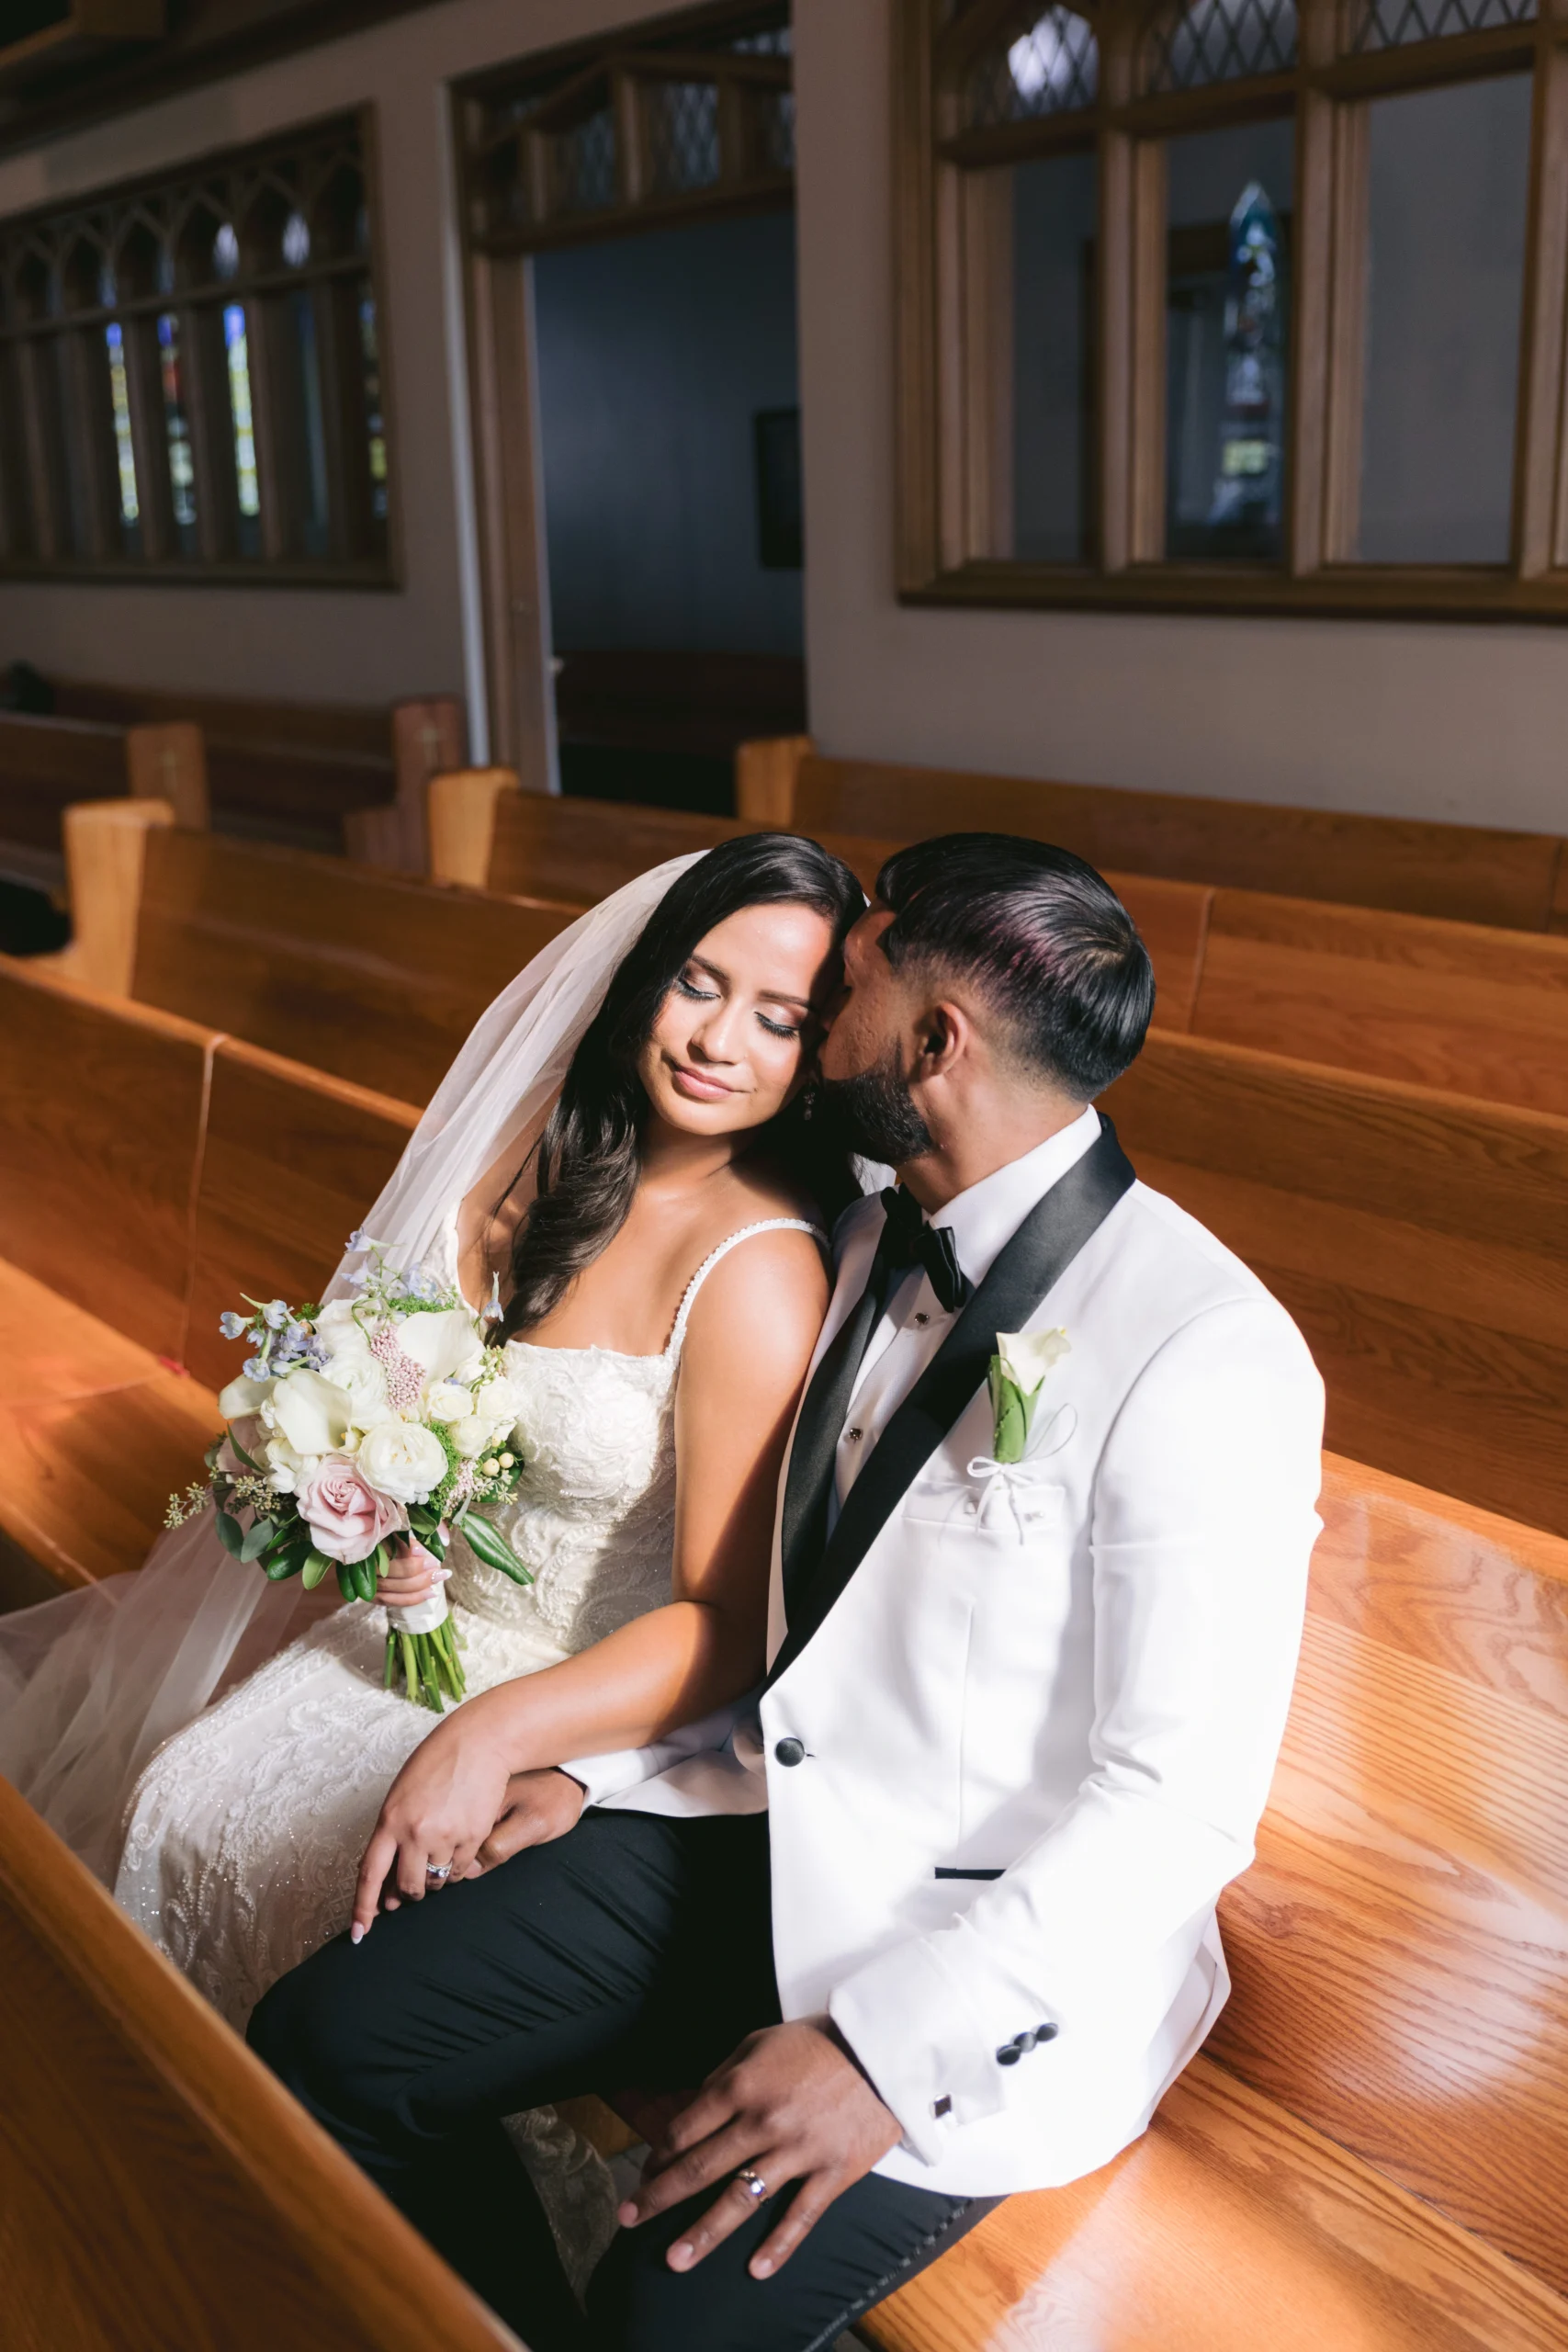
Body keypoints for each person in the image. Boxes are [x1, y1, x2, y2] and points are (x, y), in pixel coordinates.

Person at [248, 832, 1325, 2352]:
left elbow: (1177, 1810)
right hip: (749, 1829)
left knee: (660, 2312)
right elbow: (805, 1622)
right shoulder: (875, 1226)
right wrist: (597, 1773)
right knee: (328, 2042)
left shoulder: (1201, 1346)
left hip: (973, 1957)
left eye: (847, 986)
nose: (818, 1017)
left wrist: (880, 2057)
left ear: (932, 1044)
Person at [0, 834, 862, 2277]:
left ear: (814, 1053)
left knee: (330, 1894)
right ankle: (189, 2243)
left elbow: (725, 1623)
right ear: (644, 976)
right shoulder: (540, 1176)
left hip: (580, 1700)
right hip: (405, 1637)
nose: (718, 1041)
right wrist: (356, 1500)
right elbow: (397, 1409)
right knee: (180, 1799)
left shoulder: (757, 1267)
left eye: (776, 1018)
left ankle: (385, 2278)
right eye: (698, 985)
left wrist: (493, 1730)